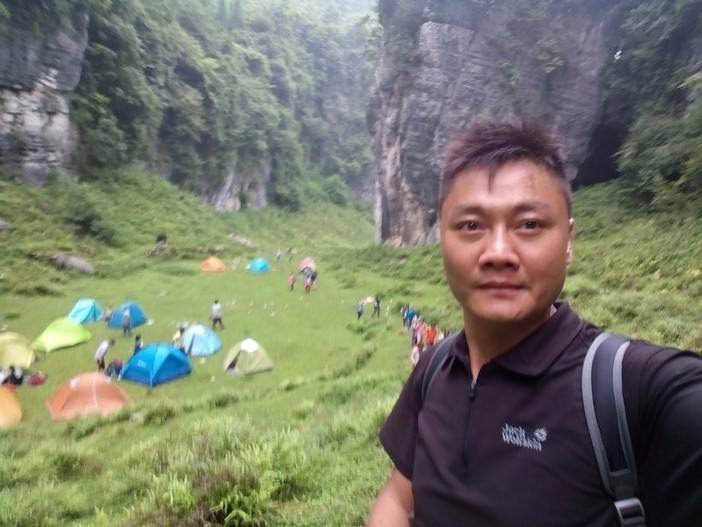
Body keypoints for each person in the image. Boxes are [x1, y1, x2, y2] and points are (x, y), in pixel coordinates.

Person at [367, 121, 702, 527]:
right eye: (471, 225)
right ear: (443, 240)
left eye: (529, 224)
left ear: (569, 242)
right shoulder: (434, 367)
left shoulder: (634, 391)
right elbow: (398, 497)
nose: (497, 253)